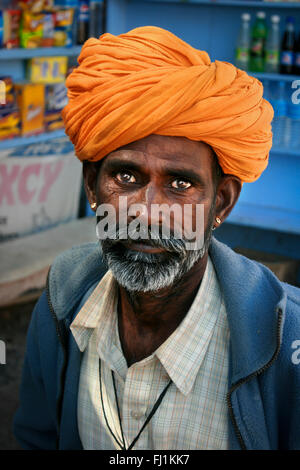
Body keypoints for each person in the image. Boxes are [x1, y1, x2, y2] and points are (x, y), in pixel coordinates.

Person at [14, 26, 300, 450]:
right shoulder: (63, 293)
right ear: (92, 186)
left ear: (221, 203)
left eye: (181, 185)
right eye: (126, 177)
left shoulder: (287, 337)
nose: (146, 211)